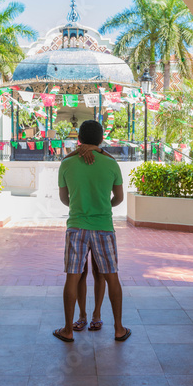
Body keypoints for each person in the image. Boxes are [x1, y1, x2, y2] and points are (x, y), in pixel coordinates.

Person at [53, 120, 131, 343]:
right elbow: (119, 198)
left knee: (74, 277)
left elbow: (64, 198)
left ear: (79, 138)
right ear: (101, 139)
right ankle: (117, 328)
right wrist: (103, 206)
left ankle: (70, 328)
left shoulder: (66, 163)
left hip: (76, 226)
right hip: (103, 228)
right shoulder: (111, 163)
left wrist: (80, 206)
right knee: (110, 276)